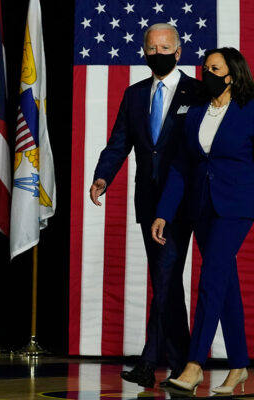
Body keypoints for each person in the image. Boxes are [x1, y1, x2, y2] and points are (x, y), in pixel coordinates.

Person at [90, 23, 200, 388]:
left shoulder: (196, 92)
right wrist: (103, 176)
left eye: (165, 48)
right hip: (147, 201)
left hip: (183, 201)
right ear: (144, 51)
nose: (158, 53)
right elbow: (119, 142)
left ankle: (149, 362)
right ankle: (183, 361)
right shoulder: (135, 94)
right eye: (151, 48)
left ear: (179, 51)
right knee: (165, 281)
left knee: (166, 277)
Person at [152, 47, 254, 395]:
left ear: (231, 74)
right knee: (224, 281)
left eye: (215, 68)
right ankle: (239, 366)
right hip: (201, 207)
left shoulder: (249, 110)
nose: (206, 72)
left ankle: (195, 364)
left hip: (237, 206)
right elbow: (182, 166)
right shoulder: (196, 112)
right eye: (205, 67)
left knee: (210, 276)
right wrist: (164, 212)